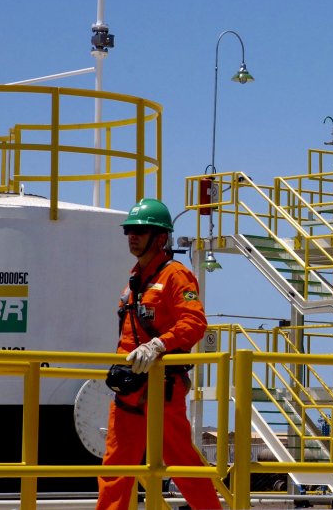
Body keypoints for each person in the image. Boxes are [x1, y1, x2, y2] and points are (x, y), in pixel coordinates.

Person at [96, 198, 222, 510]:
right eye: (130, 230)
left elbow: (194, 322)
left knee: (182, 463)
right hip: (129, 387)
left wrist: (158, 346)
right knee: (115, 467)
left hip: (162, 388)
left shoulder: (175, 276)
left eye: (141, 230)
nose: (133, 236)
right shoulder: (136, 278)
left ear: (161, 237)